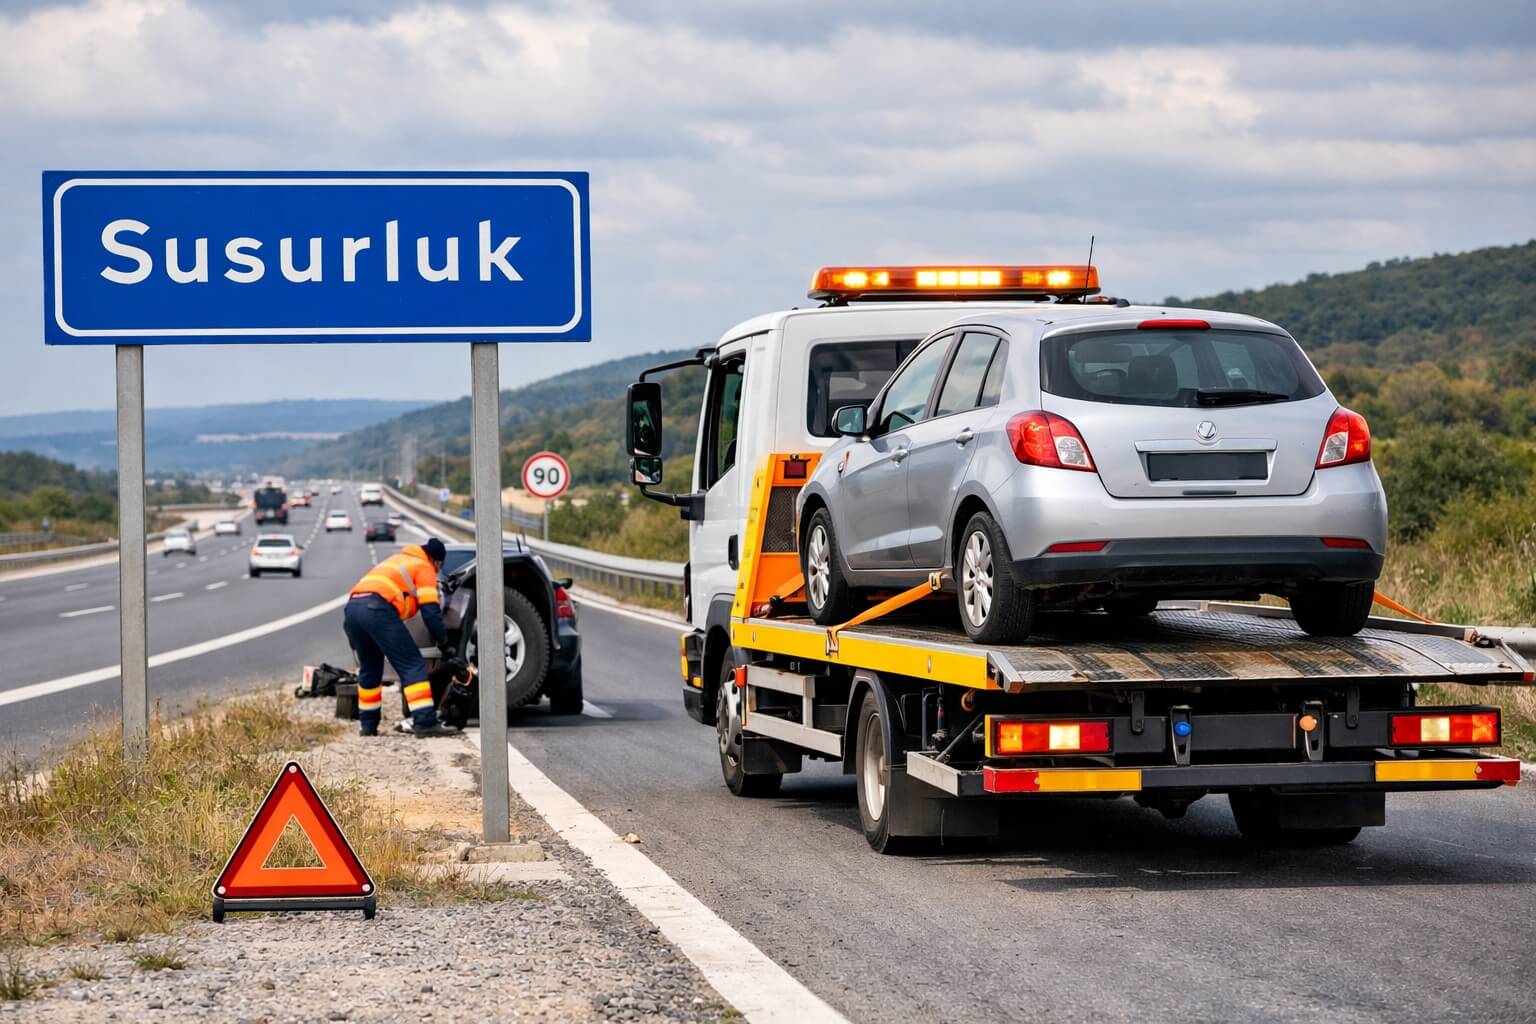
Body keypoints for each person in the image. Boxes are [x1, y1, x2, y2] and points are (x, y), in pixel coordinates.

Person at [343, 537, 460, 737]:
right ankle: (425, 723)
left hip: (353, 609)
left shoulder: (398, 560)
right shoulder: (423, 568)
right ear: (437, 561)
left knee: (370, 669)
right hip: (377, 609)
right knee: (412, 663)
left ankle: (368, 726)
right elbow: (431, 611)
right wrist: (444, 644)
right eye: (439, 566)